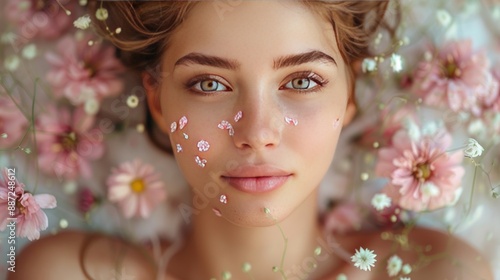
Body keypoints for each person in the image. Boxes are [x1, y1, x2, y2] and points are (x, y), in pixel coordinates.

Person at [11, 1, 494, 279]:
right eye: (209, 84)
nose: (257, 133)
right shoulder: (69, 275)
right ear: (157, 102)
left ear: (349, 93)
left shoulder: (440, 273)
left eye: (302, 82)